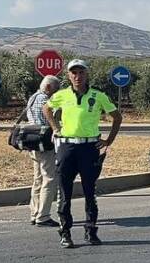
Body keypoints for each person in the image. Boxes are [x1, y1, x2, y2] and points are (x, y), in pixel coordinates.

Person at [43, 59, 123, 249]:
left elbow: (117, 117)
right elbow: (46, 108)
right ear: (69, 76)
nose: (78, 76)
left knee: (90, 191)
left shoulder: (98, 95)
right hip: (67, 148)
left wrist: (108, 140)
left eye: (81, 73)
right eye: (74, 73)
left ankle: (91, 231)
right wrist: (55, 127)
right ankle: (65, 233)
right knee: (64, 192)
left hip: (89, 148)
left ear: (87, 75)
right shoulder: (61, 95)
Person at [26, 75, 61, 226]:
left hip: (32, 143)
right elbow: (50, 121)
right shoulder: (44, 100)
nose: (56, 93)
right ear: (48, 87)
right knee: (49, 178)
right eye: (55, 90)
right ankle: (44, 216)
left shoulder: (32, 98)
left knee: (38, 179)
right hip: (45, 143)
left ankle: (34, 213)